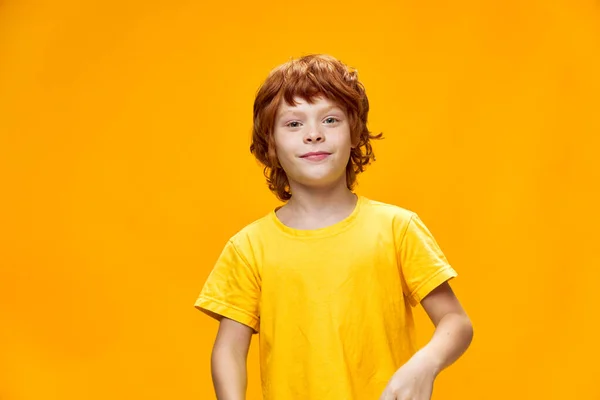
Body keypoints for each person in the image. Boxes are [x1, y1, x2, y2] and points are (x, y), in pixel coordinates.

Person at [194, 54, 473, 400]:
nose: (314, 135)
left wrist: (424, 364)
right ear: (271, 144)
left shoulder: (397, 228)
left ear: (355, 132)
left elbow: (456, 322)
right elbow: (229, 351)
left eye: (329, 120)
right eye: (294, 124)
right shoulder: (248, 247)